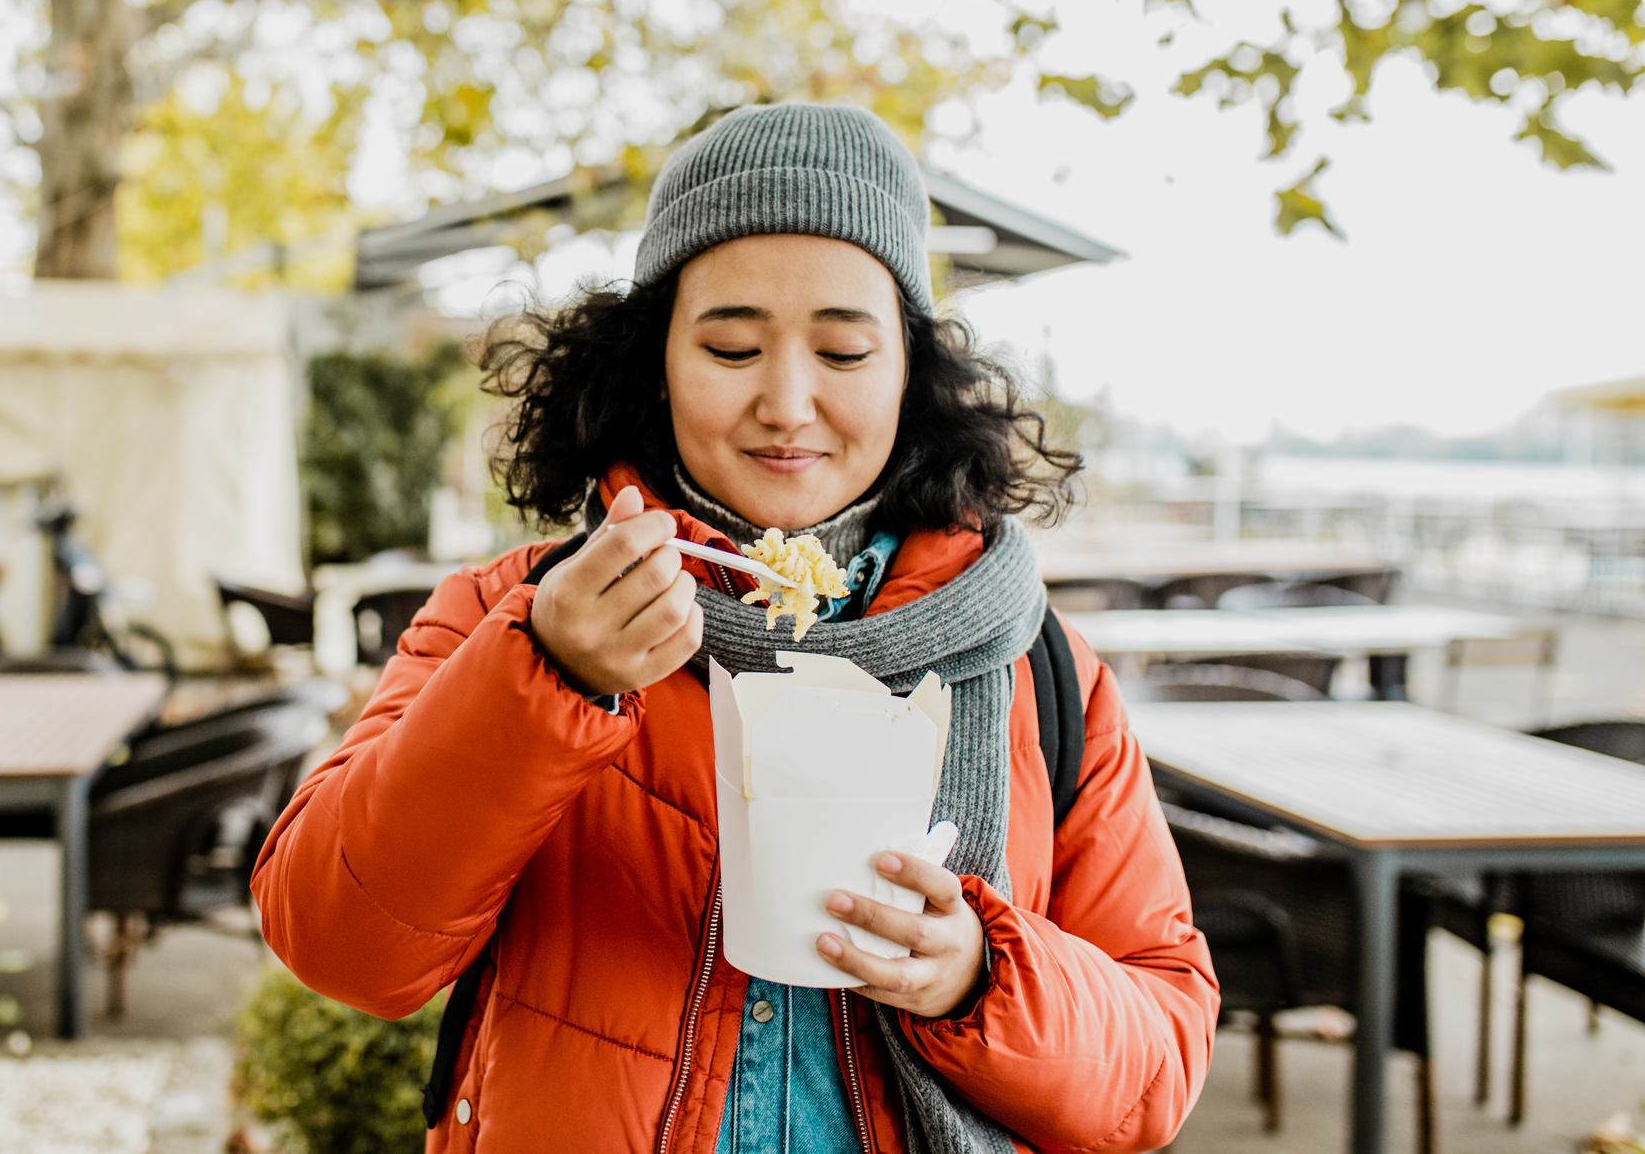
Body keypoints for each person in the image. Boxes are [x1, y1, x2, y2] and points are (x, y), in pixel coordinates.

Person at [252, 104, 1217, 1153]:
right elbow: (339, 943)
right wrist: (545, 677)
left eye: (845, 350)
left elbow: (1160, 1055)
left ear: (912, 373)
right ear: (653, 361)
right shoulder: (511, 614)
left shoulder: (1042, 667)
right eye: (730, 345)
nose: (787, 402)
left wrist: (983, 977)